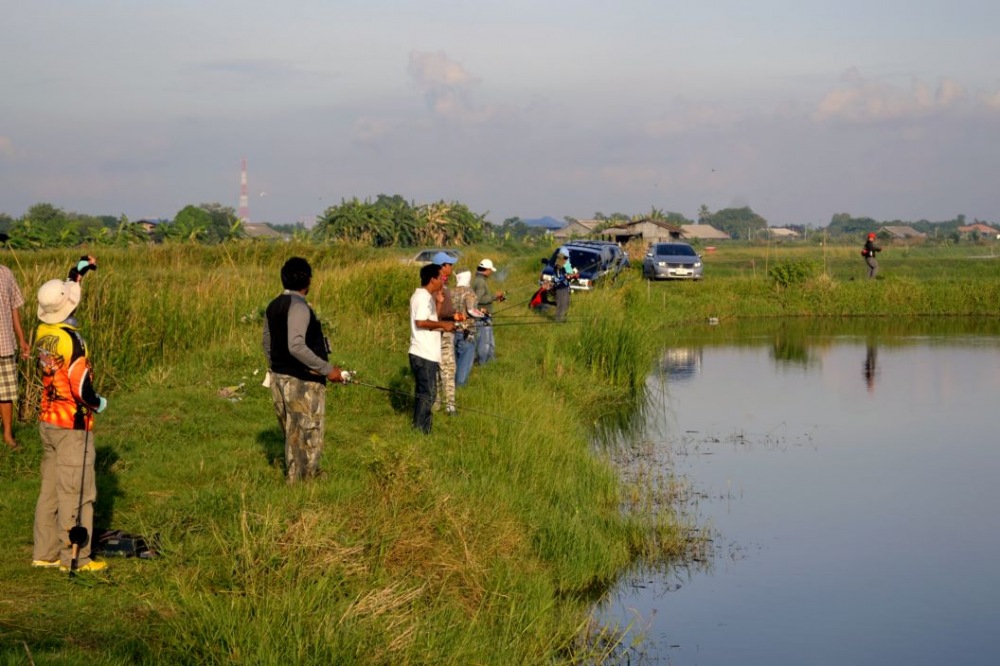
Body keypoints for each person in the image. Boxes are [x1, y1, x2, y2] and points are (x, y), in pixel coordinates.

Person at [32, 256, 108, 572]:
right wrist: (100, 403)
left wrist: (78, 271)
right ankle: (75, 558)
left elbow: (66, 298)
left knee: (50, 489)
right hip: (71, 425)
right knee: (77, 493)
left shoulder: (43, 331)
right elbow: (81, 388)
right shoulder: (73, 341)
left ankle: (45, 553)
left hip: (47, 420)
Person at [262, 257, 345, 483]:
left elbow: (267, 343)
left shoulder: (273, 305)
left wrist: (276, 368)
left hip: (279, 378)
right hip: (301, 382)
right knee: (307, 436)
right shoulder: (299, 307)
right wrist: (327, 369)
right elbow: (296, 345)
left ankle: (302, 481)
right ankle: (302, 485)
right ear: (307, 280)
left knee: (293, 434)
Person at [409, 263, 455, 433]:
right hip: (423, 353)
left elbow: (430, 319)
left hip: (428, 353)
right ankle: (419, 430)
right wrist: (444, 324)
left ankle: (424, 429)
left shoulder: (428, 297)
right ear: (432, 279)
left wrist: (440, 303)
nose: (442, 281)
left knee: (428, 393)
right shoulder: (421, 297)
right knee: (427, 394)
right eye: (440, 277)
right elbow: (420, 322)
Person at [0, 260, 31, 452]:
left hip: (4, 343)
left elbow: (14, 310)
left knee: (6, 394)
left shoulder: (6, 273)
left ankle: (8, 434)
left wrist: (22, 339)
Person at [430, 252, 458, 415]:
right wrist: (454, 316)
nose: (452, 267)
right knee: (447, 369)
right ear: (442, 267)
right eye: (450, 264)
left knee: (436, 370)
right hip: (442, 333)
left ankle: (436, 403)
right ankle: (450, 406)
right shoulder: (439, 287)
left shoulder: (433, 285)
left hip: (435, 333)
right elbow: (439, 311)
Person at [451, 271, 486, 387]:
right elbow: (471, 311)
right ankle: (460, 388)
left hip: (452, 331)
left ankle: (451, 387)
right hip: (467, 332)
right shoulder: (469, 292)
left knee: (454, 362)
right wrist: (482, 315)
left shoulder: (450, 291)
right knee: (464, 363)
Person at [472, 259, 504, 365]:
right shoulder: (481, 282)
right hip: (483, 316)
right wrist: (494, 296)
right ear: (486, 270)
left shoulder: (478, 280)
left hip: (485, 316)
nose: (491, 273)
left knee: (490, 340)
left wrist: (494, 297)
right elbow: (479, 299)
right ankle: (483, 363)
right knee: (484, 341)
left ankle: (491, 362)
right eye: (490, 270)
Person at [547, 248, 578, 322]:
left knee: (564, 303)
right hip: (561, 288)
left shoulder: (563, 265)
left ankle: (561, 319)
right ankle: (559, 320)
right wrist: (569, 276)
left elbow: (569, 275)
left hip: (563, 287)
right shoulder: (560, 266)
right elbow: (559, 278)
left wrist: (572, 276)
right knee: (562, 304)